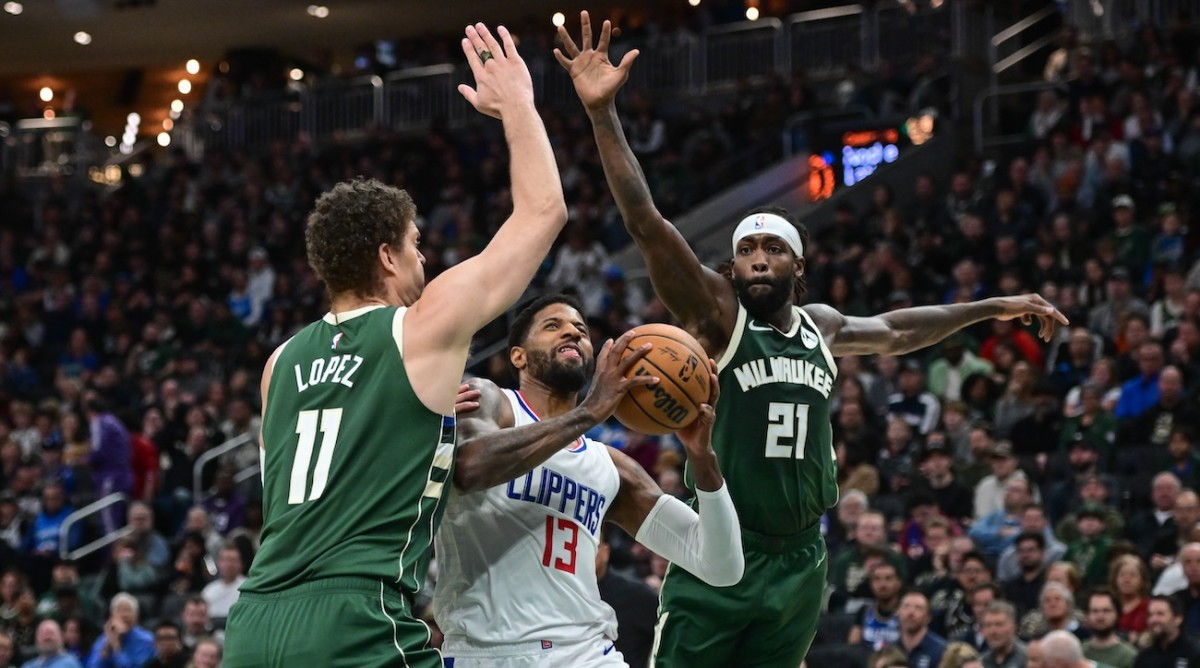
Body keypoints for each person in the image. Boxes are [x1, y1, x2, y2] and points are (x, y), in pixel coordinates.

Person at [558, 10, 1068, 666]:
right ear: (731, 269)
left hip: (803, 554)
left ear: (800, 265)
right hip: (727, 546)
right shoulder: (719, 318)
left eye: (774, 248)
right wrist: (603, 115)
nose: (759, 259)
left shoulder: (821, 327)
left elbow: (896, 330)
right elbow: (646, 222)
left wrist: (992, 305)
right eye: (747, 251)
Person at [224, 21, 570, 668]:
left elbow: (341, 460)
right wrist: (518, 104)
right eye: (416, 246)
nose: (425, 258)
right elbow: (543, 212)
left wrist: (429, 423)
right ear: (387, 256)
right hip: (353, 621)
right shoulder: (421, 325)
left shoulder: (279, 364)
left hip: (252, 624)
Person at [435, 294, 741, 666]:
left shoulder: (610, 467)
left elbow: (721, 566)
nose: (572, 333)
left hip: (587, 653)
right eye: (553, 326)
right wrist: (590, 412)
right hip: (487, 653)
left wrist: (702, 457)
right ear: (518, 356)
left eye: (581, 330)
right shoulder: (493, 402)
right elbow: (468, 468)